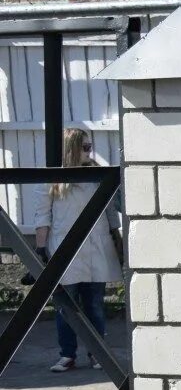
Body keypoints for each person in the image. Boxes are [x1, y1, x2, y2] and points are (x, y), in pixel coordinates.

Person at [31, 125, 123, 373]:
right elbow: (42, 216)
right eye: (85, 147)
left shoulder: (96, 174)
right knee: (65, 306)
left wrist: (116, 237)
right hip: (64, 249)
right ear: (71, 149)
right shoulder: (52, 179)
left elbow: (110, 210)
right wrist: (41, 249)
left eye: (90, 146)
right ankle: (67, 354)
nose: (89, 151)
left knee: (94, 304)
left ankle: (97, 353)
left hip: (96, 246)